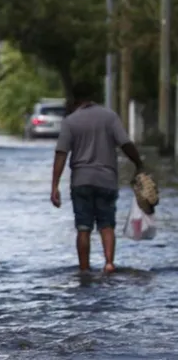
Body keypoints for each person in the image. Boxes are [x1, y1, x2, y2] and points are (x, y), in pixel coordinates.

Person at [50, 81, 144, 274]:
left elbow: (61, 153)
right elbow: (125, 143)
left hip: (81, 181)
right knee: (106, 225)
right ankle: (109, 263)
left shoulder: (70, 121)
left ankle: (84, 269)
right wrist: (139, 164)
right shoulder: (109, 117)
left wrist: (55, 186)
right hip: (106, 179)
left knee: (83, 228)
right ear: (93, 95)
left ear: (74, 98)